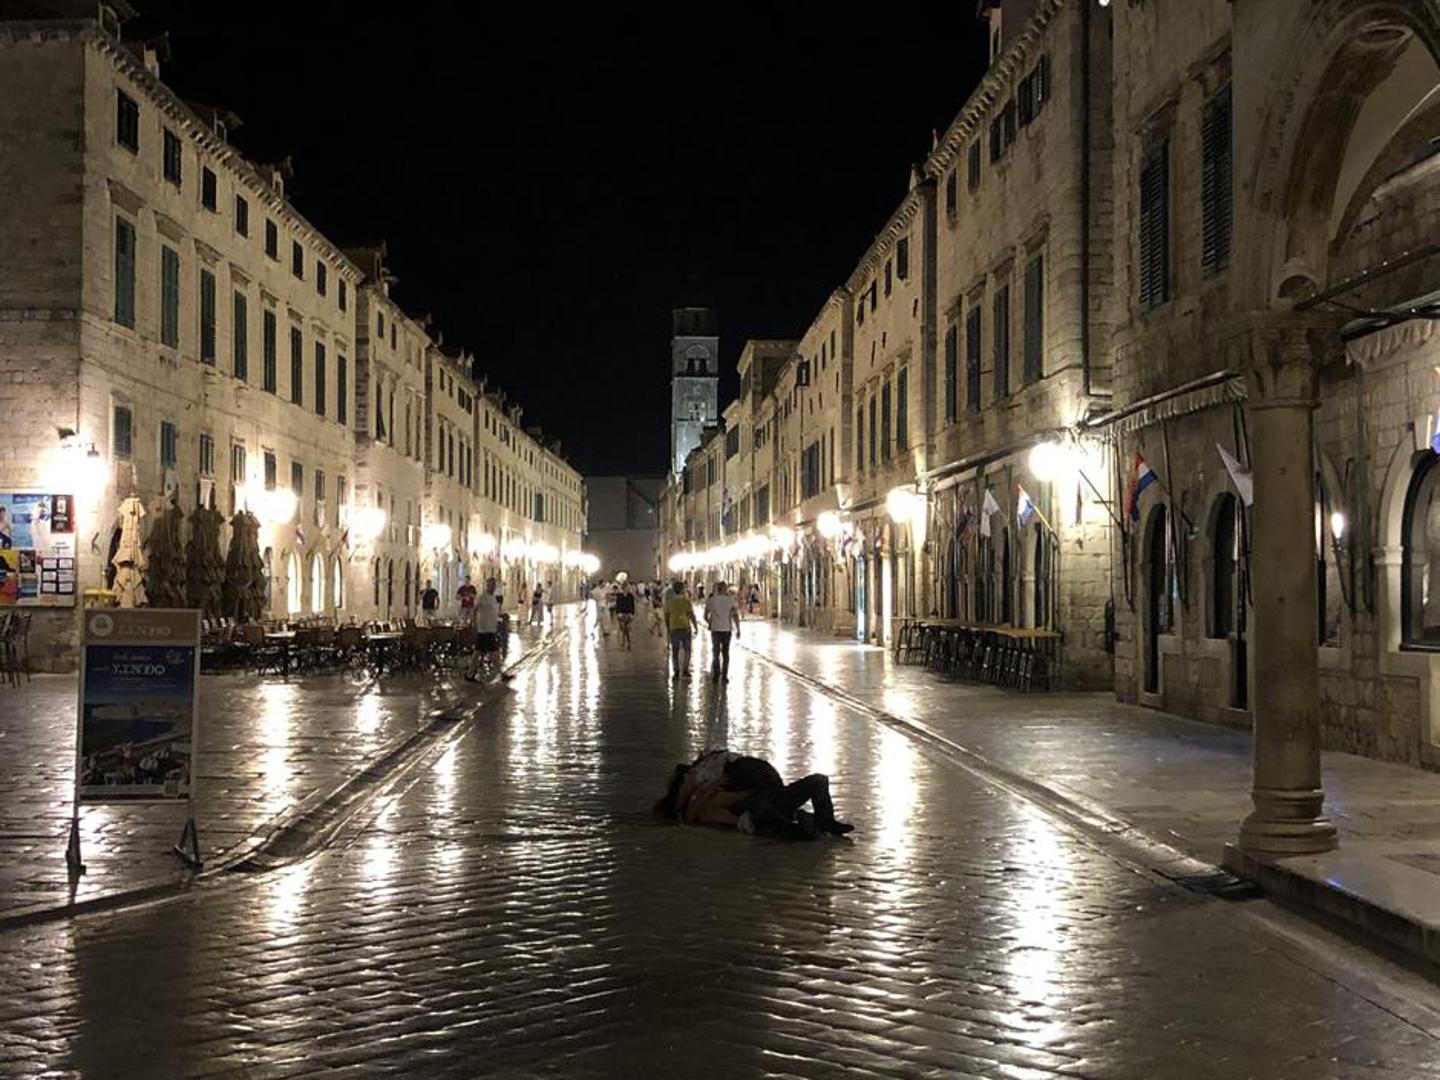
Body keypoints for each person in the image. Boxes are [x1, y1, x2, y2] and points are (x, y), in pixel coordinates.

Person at [654, 749, 854, 840]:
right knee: (766, 809)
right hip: (762, 801)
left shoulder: (712, 779)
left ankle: (821, 823)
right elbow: (694, 812)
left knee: (819, 780)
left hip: (768, 793)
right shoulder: (708, 791)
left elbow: (691, 809)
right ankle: (810, 827)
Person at [466, 577, 508, 682]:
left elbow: (494, 613)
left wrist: (501, 617)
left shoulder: (493, 598)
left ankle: (469, 675)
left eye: (494, 585)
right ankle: (502, 674)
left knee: (479, 653)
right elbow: (474, 610)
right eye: (490, 585)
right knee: (493, 653)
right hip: (484, 630)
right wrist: (473, 624)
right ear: (487, 585)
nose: (492, 587)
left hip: (490, 629)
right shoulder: (482, 597)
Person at [703, 580, 741, 683]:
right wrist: (738, 629)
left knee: (715, 653)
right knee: (725, 653)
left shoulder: (711, 600)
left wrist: (710, 623)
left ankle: (716, 675)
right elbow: (735, 615)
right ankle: (724, 676)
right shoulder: (730, 600)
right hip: (727, 629)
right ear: (725, 589)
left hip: (715, 629)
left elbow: (705, 616)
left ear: (717, 589)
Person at [663, 579, 698, 677]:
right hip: (685, 627)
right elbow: (691, 615)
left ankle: (676, 671)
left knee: (675, 650)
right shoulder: (686, 601)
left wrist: (668, 628)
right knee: (687, 650)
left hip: (674, 627)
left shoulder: (669, 603)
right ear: (682, 590)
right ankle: (685, 670)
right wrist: (695, 626)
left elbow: (666, 617)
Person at [613, 582, 636, 649]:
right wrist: (618, 613)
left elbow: (632, 605)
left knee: (627, 629)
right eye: (626, 587)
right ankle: (624, 641)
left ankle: (627, 642)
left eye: (628, 588)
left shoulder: (630, 595)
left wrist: (632, 613)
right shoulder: (619, 595)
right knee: (623, 628)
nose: (627, 589)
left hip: (628, 614)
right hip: (621, 614)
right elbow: (618, 605)